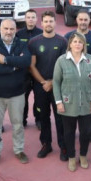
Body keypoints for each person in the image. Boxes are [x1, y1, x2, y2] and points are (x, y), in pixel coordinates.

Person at [0, 19, 31, 165]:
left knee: (18, 124)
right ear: (0, 29)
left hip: (17, 93)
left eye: (11, 29)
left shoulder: (21, 44)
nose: (9, 32)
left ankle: (19, 149)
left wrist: (6, 60)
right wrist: (14, 66)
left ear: (15, 30)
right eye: (6, 29)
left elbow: (26, 62)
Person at [52, 32, 91, 172]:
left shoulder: (90, 59)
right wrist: (59, 102)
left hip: (86, 102)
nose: (77, 44)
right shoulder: (61, 60)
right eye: (75, 42)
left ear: (84, 44)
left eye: (80, 42)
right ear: (70, 44)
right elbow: (56, 82)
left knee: (85, 132)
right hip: (68, 103)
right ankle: (72, 157)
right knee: (69, 132)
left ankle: (83, 155)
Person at [28, 11, 68, 160]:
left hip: (58, 86)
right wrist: (44, 82)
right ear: (42, 23)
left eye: (51, 21)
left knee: (60, 117)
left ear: (54, 23)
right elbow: (31, 66)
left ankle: (63, 146)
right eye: (46, 21)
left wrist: (52, 82)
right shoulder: (34, 42)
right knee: (43, 116)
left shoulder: (62, 41)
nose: (48, 24)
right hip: (40, 86)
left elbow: (65, 65)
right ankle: (46, 144)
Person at [64, 10, 91, 143]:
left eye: (85, 20)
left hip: (88, 79)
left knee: (88, 104)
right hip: (71, 78)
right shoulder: (68, 36)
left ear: (89, 21)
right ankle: (71, 130)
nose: (83, 22)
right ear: (76, 20)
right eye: (80, 19)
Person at [16, 9, 43, 128]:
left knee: (39, 97)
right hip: (23, 72)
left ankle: (39, 119)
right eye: (28, 17)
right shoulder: (19, 34)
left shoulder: (42, 33)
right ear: (25, 19)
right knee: (23, 98)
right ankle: (23, 119)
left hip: (38, 71)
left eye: (33, 17)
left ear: (36, 19)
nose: (31, 19)